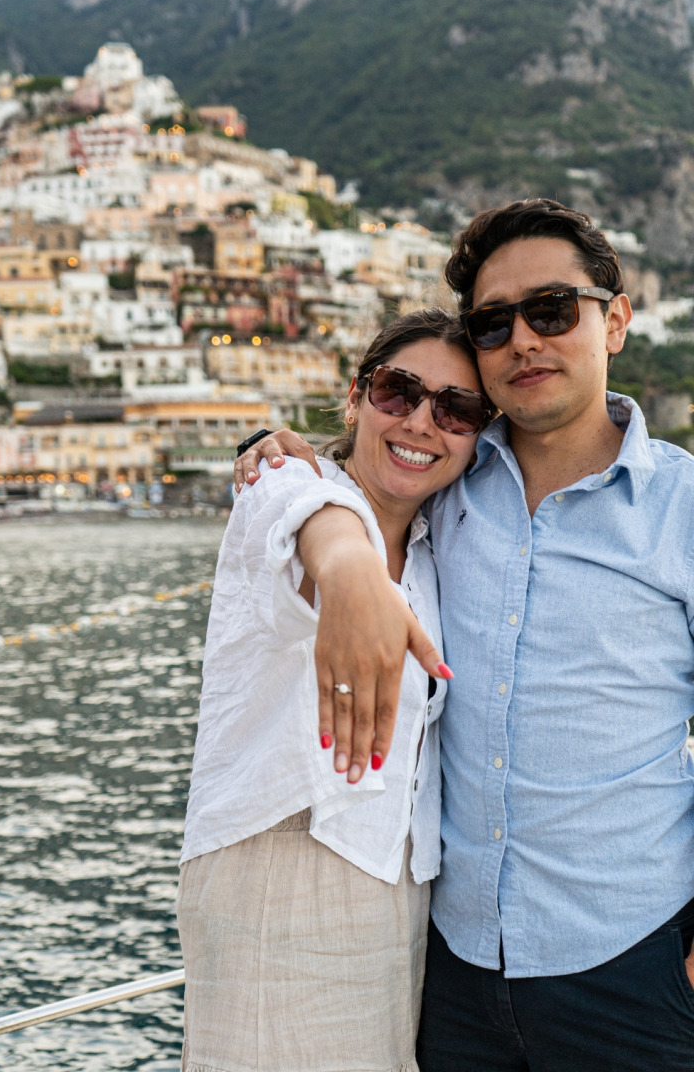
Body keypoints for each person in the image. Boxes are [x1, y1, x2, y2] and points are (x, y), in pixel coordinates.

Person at [235, 199, 694, 1071]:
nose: (523, 340)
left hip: (633, 965)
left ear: (617, 321)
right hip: (454, 972)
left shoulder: (684, 510)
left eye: (551, 311)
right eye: (493, 323)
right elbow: (344, 485)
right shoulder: (446, 478)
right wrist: (273, 450)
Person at [177, 309, 494, 1072]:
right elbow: (317, 525)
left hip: (402, 893)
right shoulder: (290, 482)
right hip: (281, 869)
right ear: (355, 398)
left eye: (456, 409)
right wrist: (354, 578)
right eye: (399, 392)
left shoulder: (434, 547)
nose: (422, 421)